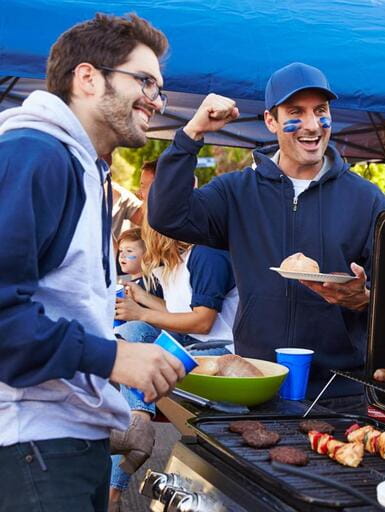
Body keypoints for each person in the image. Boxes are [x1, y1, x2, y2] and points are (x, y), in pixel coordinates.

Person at [0, 14, 185, 512]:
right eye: (144, 81)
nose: (155, 99)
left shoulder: (87, 169)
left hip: (67, 442)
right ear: (87, 78)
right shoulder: (35, 155)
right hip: (31, 448)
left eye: (160, 89)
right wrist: (115, 358)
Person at [148, 62, 385, 402]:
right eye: (296, 112)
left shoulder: (367, 198)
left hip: (339, 390)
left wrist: (365, 299)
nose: (311, 125)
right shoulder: (236, 192)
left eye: (320, 111)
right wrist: (192, 135)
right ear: (270, 121)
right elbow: (166, 216)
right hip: (255, 380)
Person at [110, 219, 237, 506]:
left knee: (134, 333)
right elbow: (176, 311)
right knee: (131, 335)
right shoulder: (174, 265)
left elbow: (203, 322)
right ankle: (136, 426)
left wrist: (140, 313)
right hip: (193, 346)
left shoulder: (206, 254)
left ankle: (138, 425)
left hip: (220, 352)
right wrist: (141, 299)